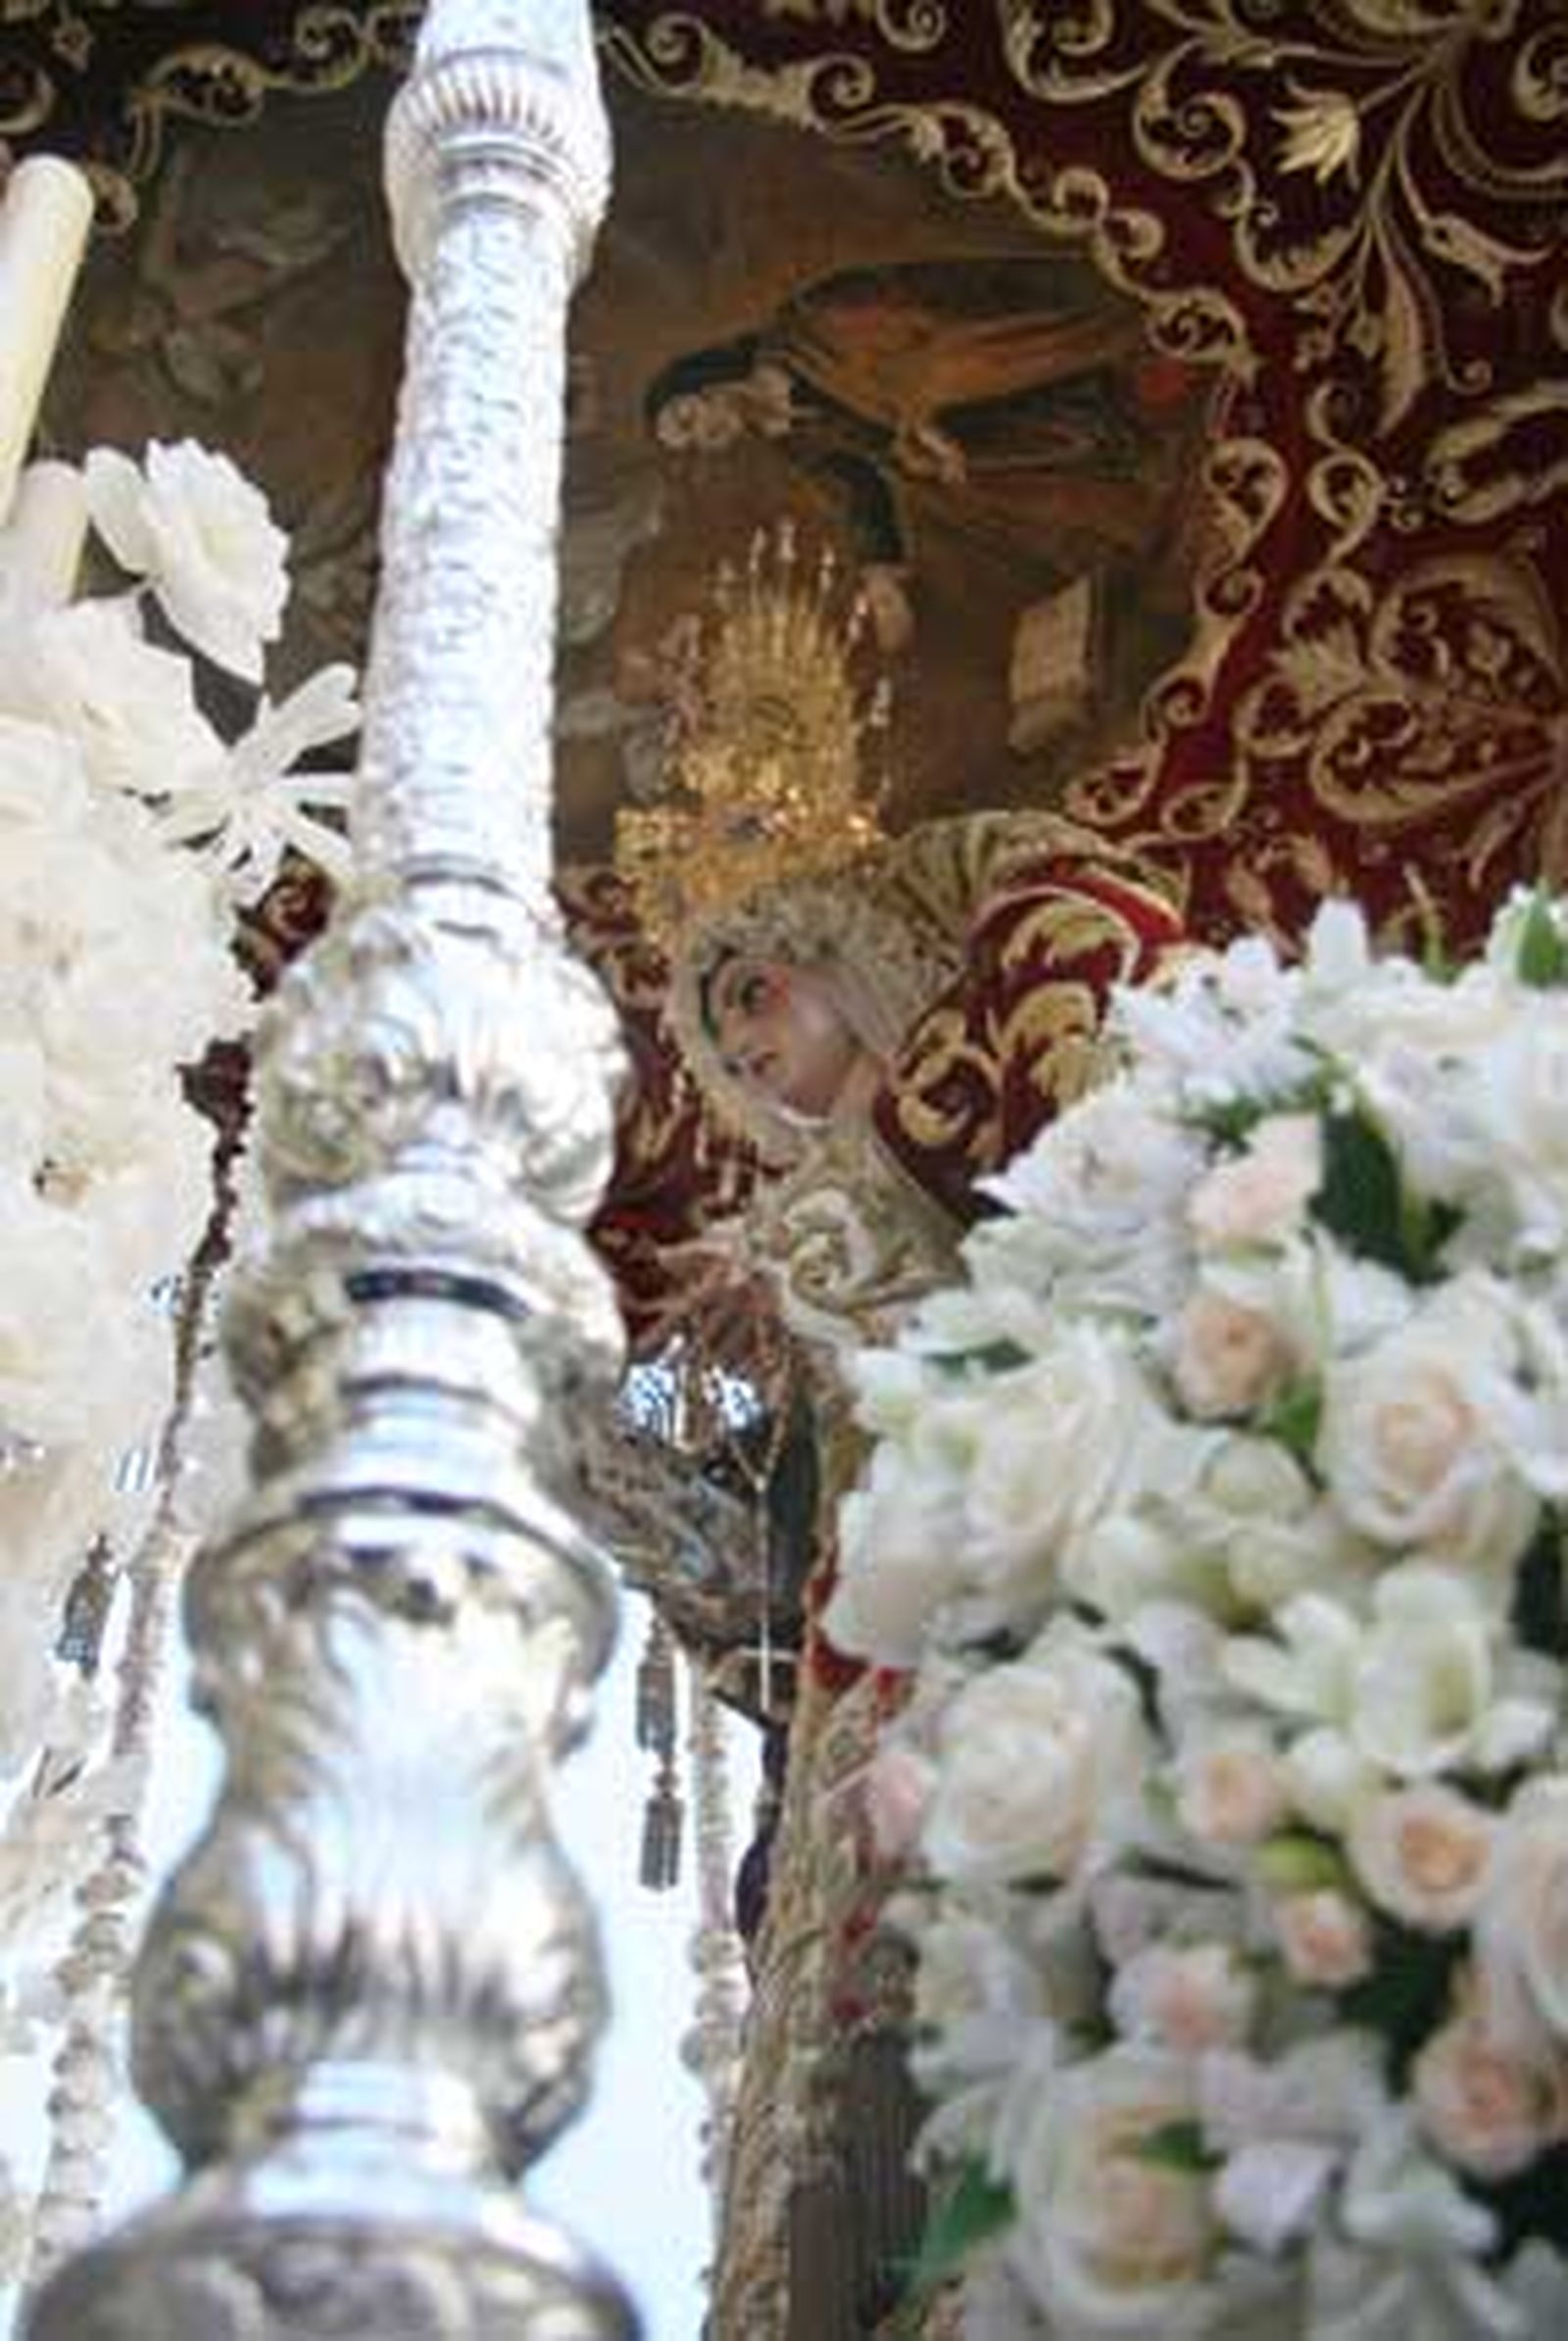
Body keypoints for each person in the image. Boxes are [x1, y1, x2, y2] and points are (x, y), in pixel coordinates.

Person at [608, 807, 1188, 2338]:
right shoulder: (759, 1259)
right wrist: (620, 1418)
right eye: (719, 1034)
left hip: (1022, 1619)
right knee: (839, 2139)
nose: (740, 1046)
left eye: (758, 994)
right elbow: (718, 1533)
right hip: (846, 1710)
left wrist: (801, 1254)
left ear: (859, 970)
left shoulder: (981, 1102)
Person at [645, 257, 1213, 750]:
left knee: (975, 379)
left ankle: (1148, 354)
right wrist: (880, 573)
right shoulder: (785, 434)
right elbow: (854, 480)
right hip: (955, 420)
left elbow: (914, 332)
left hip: (972, 346)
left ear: (708, 381)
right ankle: (1136, 509)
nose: (703, 437)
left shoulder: (804, 329)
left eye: (688, 419)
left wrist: (916, 415)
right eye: (689, 441)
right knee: (978, 486)